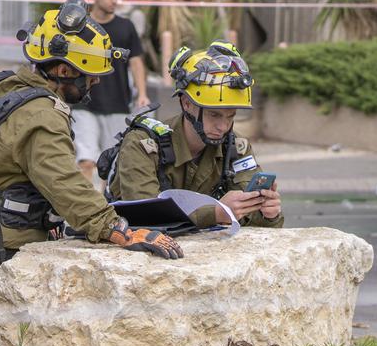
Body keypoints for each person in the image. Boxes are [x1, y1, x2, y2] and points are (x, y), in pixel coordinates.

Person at [0, 0, 184, 346]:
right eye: (88, 75)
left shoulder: (6, 86)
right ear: (64, 71)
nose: (95, 82)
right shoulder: (42, 116)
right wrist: (117, 230)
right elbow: (64, 183)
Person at [103, 41, 284, 229]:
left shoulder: (235, 148)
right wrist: (216, 213)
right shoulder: (142, 144)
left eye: (231, 116)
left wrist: (268, 215)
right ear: (186, 103)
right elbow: (145, 217)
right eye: (214, 115)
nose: (223, 127)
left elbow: (255, 221)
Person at [70, 0, 149, 184]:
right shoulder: (81, 26)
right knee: (86, 160)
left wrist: (142, 93)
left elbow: (136, 61)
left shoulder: (126, 26)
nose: (114, 1)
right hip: (83, 103)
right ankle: (83, 202)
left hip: (118, 103)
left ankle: (103, 202)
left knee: (111, 164)